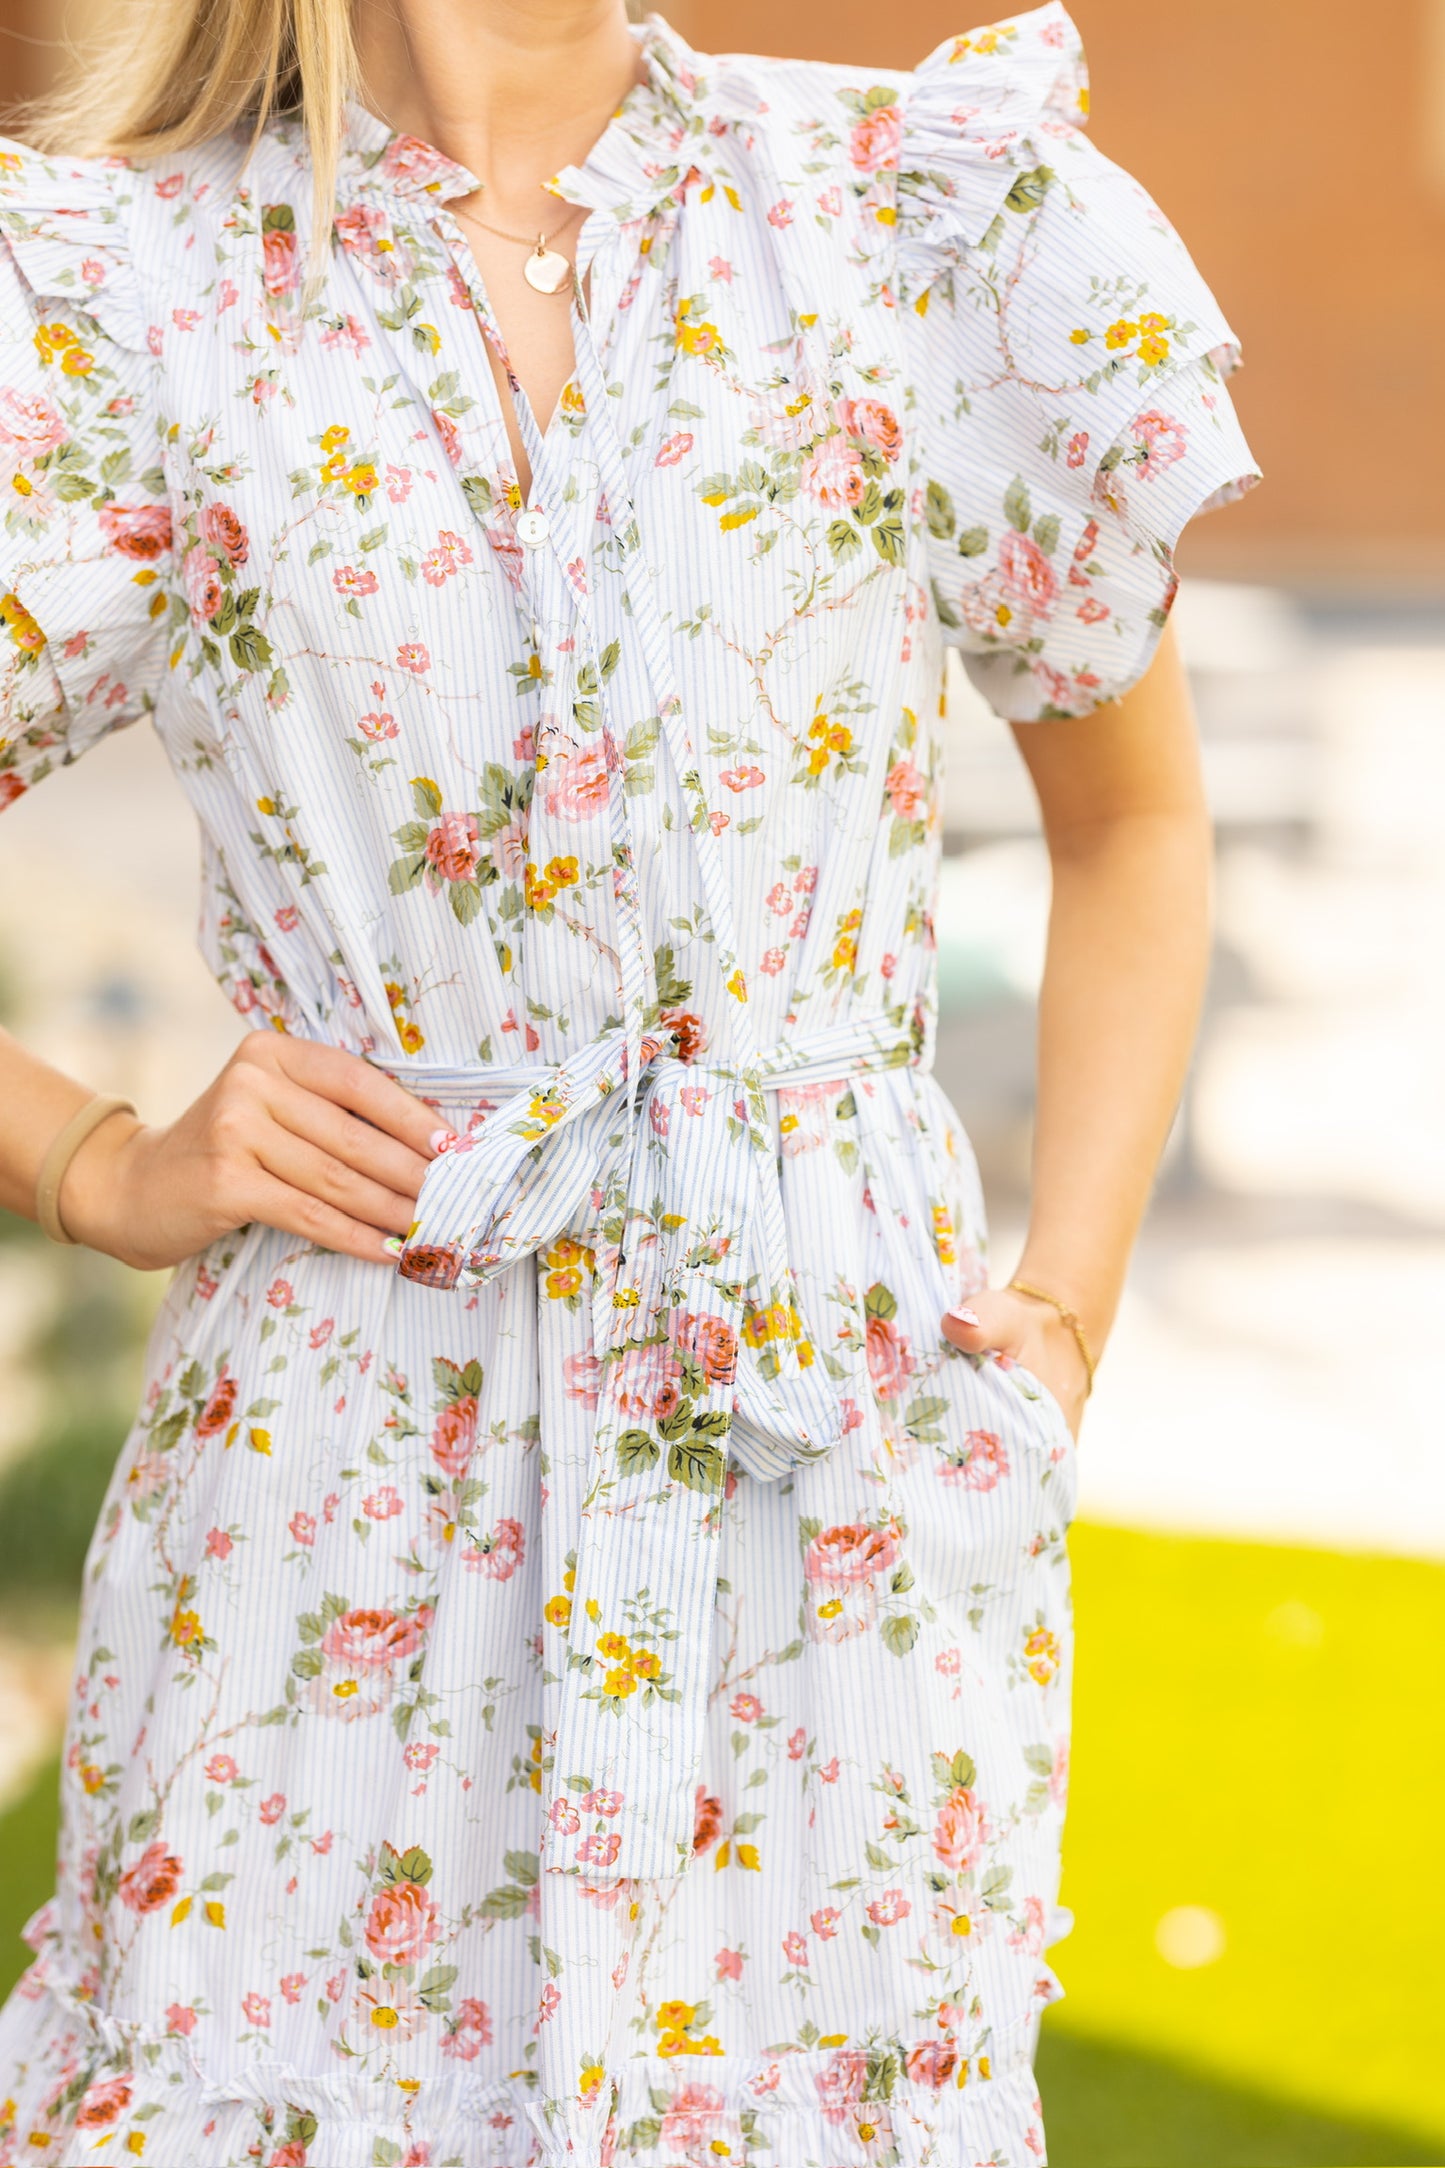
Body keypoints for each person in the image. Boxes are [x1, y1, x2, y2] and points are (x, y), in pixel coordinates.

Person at [0, 0, 1258, 2158]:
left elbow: (1133, 820)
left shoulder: (916, 219)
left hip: (829, 1488)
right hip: (331, 1500)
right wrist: (99, 1158)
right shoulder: (133, 297)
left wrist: (1058, 1322)